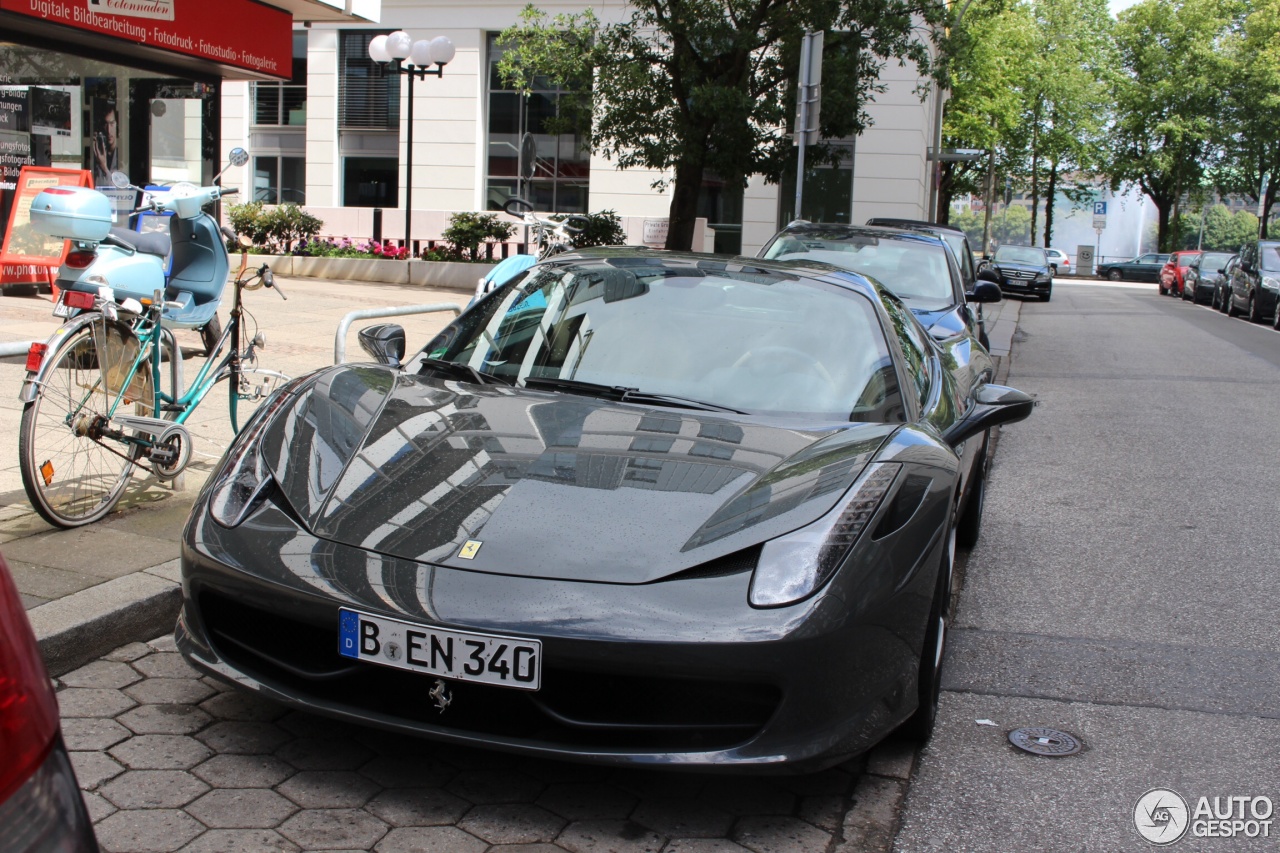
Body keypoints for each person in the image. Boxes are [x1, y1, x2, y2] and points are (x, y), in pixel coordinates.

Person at [91, 106, 118, 186]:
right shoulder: (99, 154)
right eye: (106, 125)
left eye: (112, 124)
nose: (109, 130)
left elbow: (118, 188)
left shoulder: (121, 155)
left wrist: (104, 168)